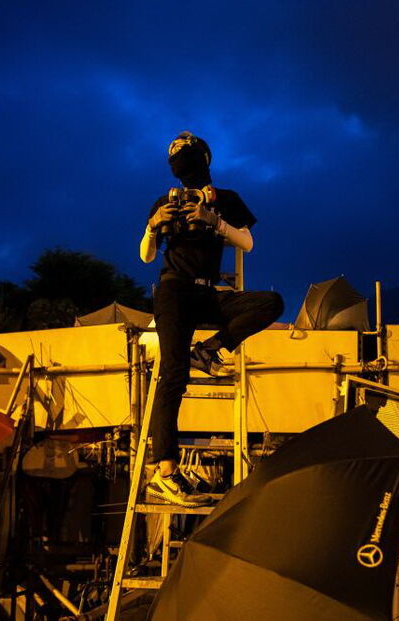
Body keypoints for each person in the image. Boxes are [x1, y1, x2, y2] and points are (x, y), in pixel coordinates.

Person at [139, 131, 283, 507]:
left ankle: (210, 350)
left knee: (272, 302)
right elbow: (146, 256)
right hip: (172, 291)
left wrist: (213, 220)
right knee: (173, 375)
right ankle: (165, 473)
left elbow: (247, 243)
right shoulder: (164, 202)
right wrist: (154, 223)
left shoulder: (226, 200)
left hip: (206, 292)